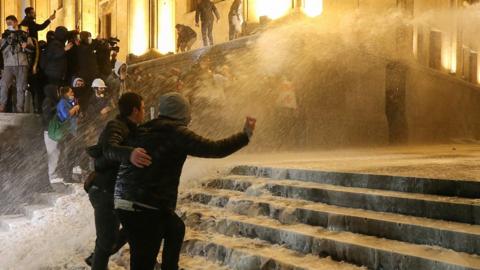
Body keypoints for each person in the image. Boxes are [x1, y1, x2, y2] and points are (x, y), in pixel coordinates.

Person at [115, 92, 256, 270]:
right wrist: (244, 136)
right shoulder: (176, 132)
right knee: (143, 260)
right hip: (145, 206)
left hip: (128, 199)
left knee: (175, 228)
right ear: (181, 112)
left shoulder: (146, 127)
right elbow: (215, 149)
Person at [85, 92, 151, 270]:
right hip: (104, 191)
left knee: (138, 223)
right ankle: (98, 261)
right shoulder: (116, 126)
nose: (144, 111)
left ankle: (97, 257)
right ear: (135, 110)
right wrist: (130, 154)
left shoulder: (133, 128)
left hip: (118, 191)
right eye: (143, 108)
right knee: (107, 242)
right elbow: (109, 149)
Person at [0, 15, 34, 113]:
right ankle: (2, 106)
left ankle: (20, 109)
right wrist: (6, 41)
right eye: (7, 23)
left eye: (10, 22)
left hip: (22, 64)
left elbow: (32, 49)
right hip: (8, 64)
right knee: (4, 84)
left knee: (20, 87)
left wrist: (26, 46)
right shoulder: (5, 35)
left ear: (16, 22)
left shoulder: (24, 34)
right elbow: (1, 49)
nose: (9, 25)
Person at [56, 86, 81, 182]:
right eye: (71, 92)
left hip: (72, 131)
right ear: (65, 94)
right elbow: (65, 115)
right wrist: (75, 108)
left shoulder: (71, 102)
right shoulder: (62, 103)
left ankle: (69, 175)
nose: (73, 93)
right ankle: (66, 176)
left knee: (71, 154)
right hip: (66, 132)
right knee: (67, 154)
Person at [42, 84, 61, 181]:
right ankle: (51, 174)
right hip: (49, 131)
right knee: (52, 153)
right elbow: (47, 115)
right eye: (56, 91)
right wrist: (57, 108)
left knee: (55, 152)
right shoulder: (48, 101)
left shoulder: (53, 101)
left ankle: (53, 173)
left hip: (54, 131)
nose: (58, 93)